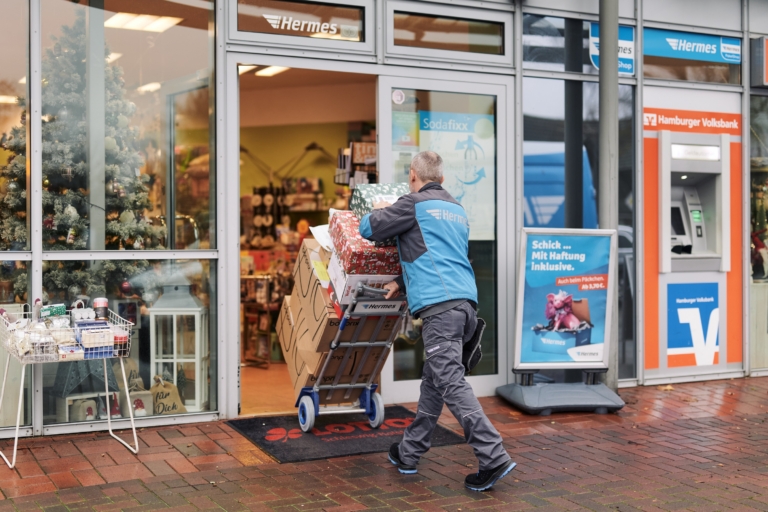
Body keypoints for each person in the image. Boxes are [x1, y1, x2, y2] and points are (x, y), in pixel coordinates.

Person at [358, 151, 516, 492]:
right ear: (441, 179)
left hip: (440, 311)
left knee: (451, 383)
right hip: (465, 308)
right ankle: (408, 453)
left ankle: (492, 455)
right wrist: (401, 281)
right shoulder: (457, 210)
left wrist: (370, 206)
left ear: (414, 175)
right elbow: (436, 254)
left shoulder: (413, 203)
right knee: (434, 383)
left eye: (410, 178)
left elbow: (369, 227)